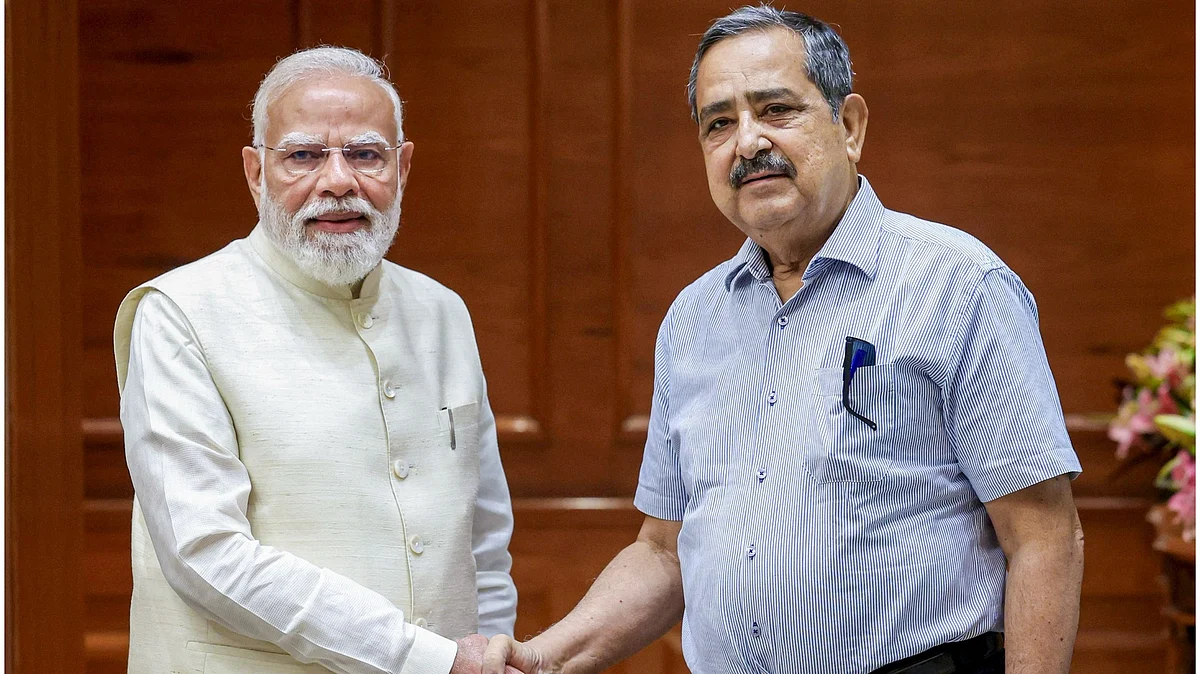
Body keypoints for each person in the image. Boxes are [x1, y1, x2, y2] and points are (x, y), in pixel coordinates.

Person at [483, 6, 1084, 674]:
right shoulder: (693, 319)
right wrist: (541, 659)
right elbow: (664, 551)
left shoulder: (957, 285)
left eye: (776, 109)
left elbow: (1043, 535)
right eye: (718, 123)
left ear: (849, 126)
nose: (746, 143)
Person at [114, 46, 519, 674]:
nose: (338, 181)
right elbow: (205, 553)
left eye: (365, 155)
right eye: (303, 156)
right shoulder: (180, 314)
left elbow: (483, 541)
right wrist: (424, 659)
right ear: (256, 172)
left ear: (402, 168)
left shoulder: (442, 311)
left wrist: (491, 654)